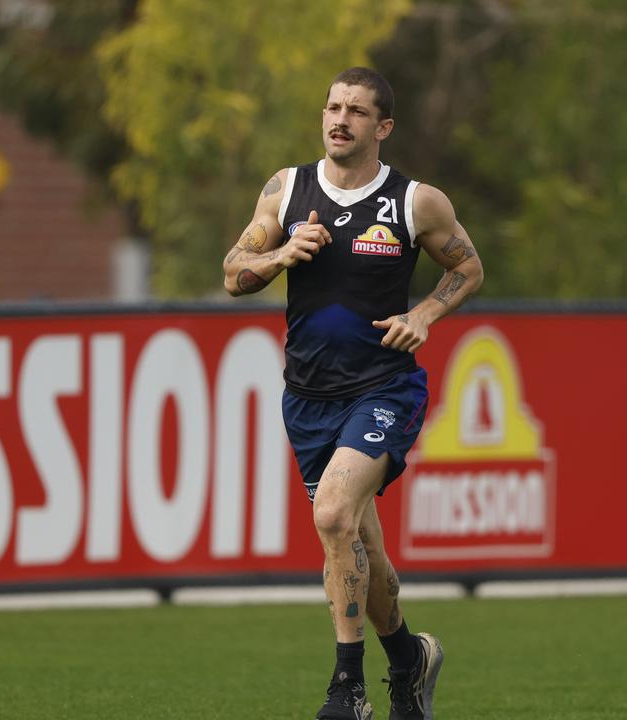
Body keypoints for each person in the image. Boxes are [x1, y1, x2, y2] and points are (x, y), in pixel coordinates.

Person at [223, 66, 483, 720]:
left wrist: (423, 315)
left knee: (334, 513)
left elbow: (469, 266)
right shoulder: (287, 190)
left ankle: (348, 690)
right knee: (358, 546)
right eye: (333, 107)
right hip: (308, 398)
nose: (340, 119)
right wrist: (281, 256)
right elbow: (233, 273)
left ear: (383, 127)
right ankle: (409, 660)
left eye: (357, 111)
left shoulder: (415, 202)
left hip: (384, 389)